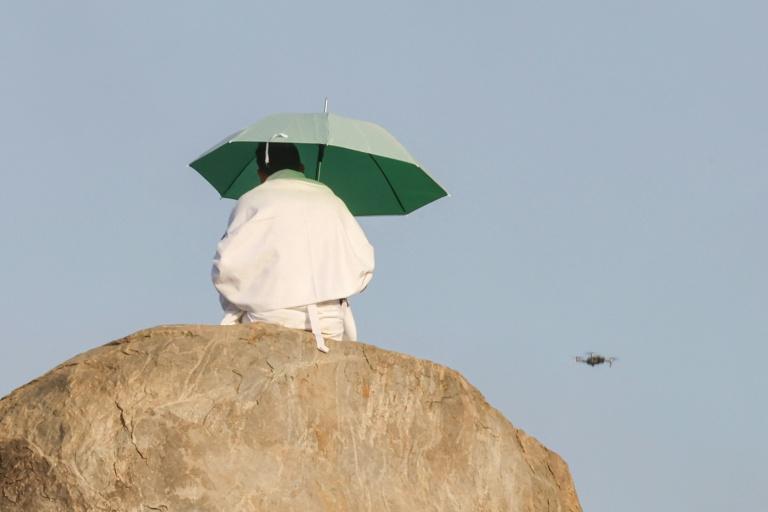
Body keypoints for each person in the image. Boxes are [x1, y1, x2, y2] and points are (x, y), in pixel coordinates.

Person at [212, 141, 374, 353]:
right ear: (302, 169)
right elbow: (363, 263)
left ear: (261, 174)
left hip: (267, 318)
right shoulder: (331, 200)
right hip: (328, 324)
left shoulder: (252, 199)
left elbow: (225, 267)